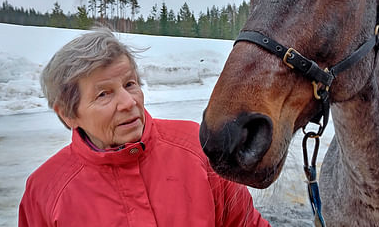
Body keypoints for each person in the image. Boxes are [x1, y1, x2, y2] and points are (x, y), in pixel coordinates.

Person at [18, 28, 271, 227]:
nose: (129, 102)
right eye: (104, 94)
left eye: (130, 84)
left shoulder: (196, 148)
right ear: (68, 114)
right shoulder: (44, 191)